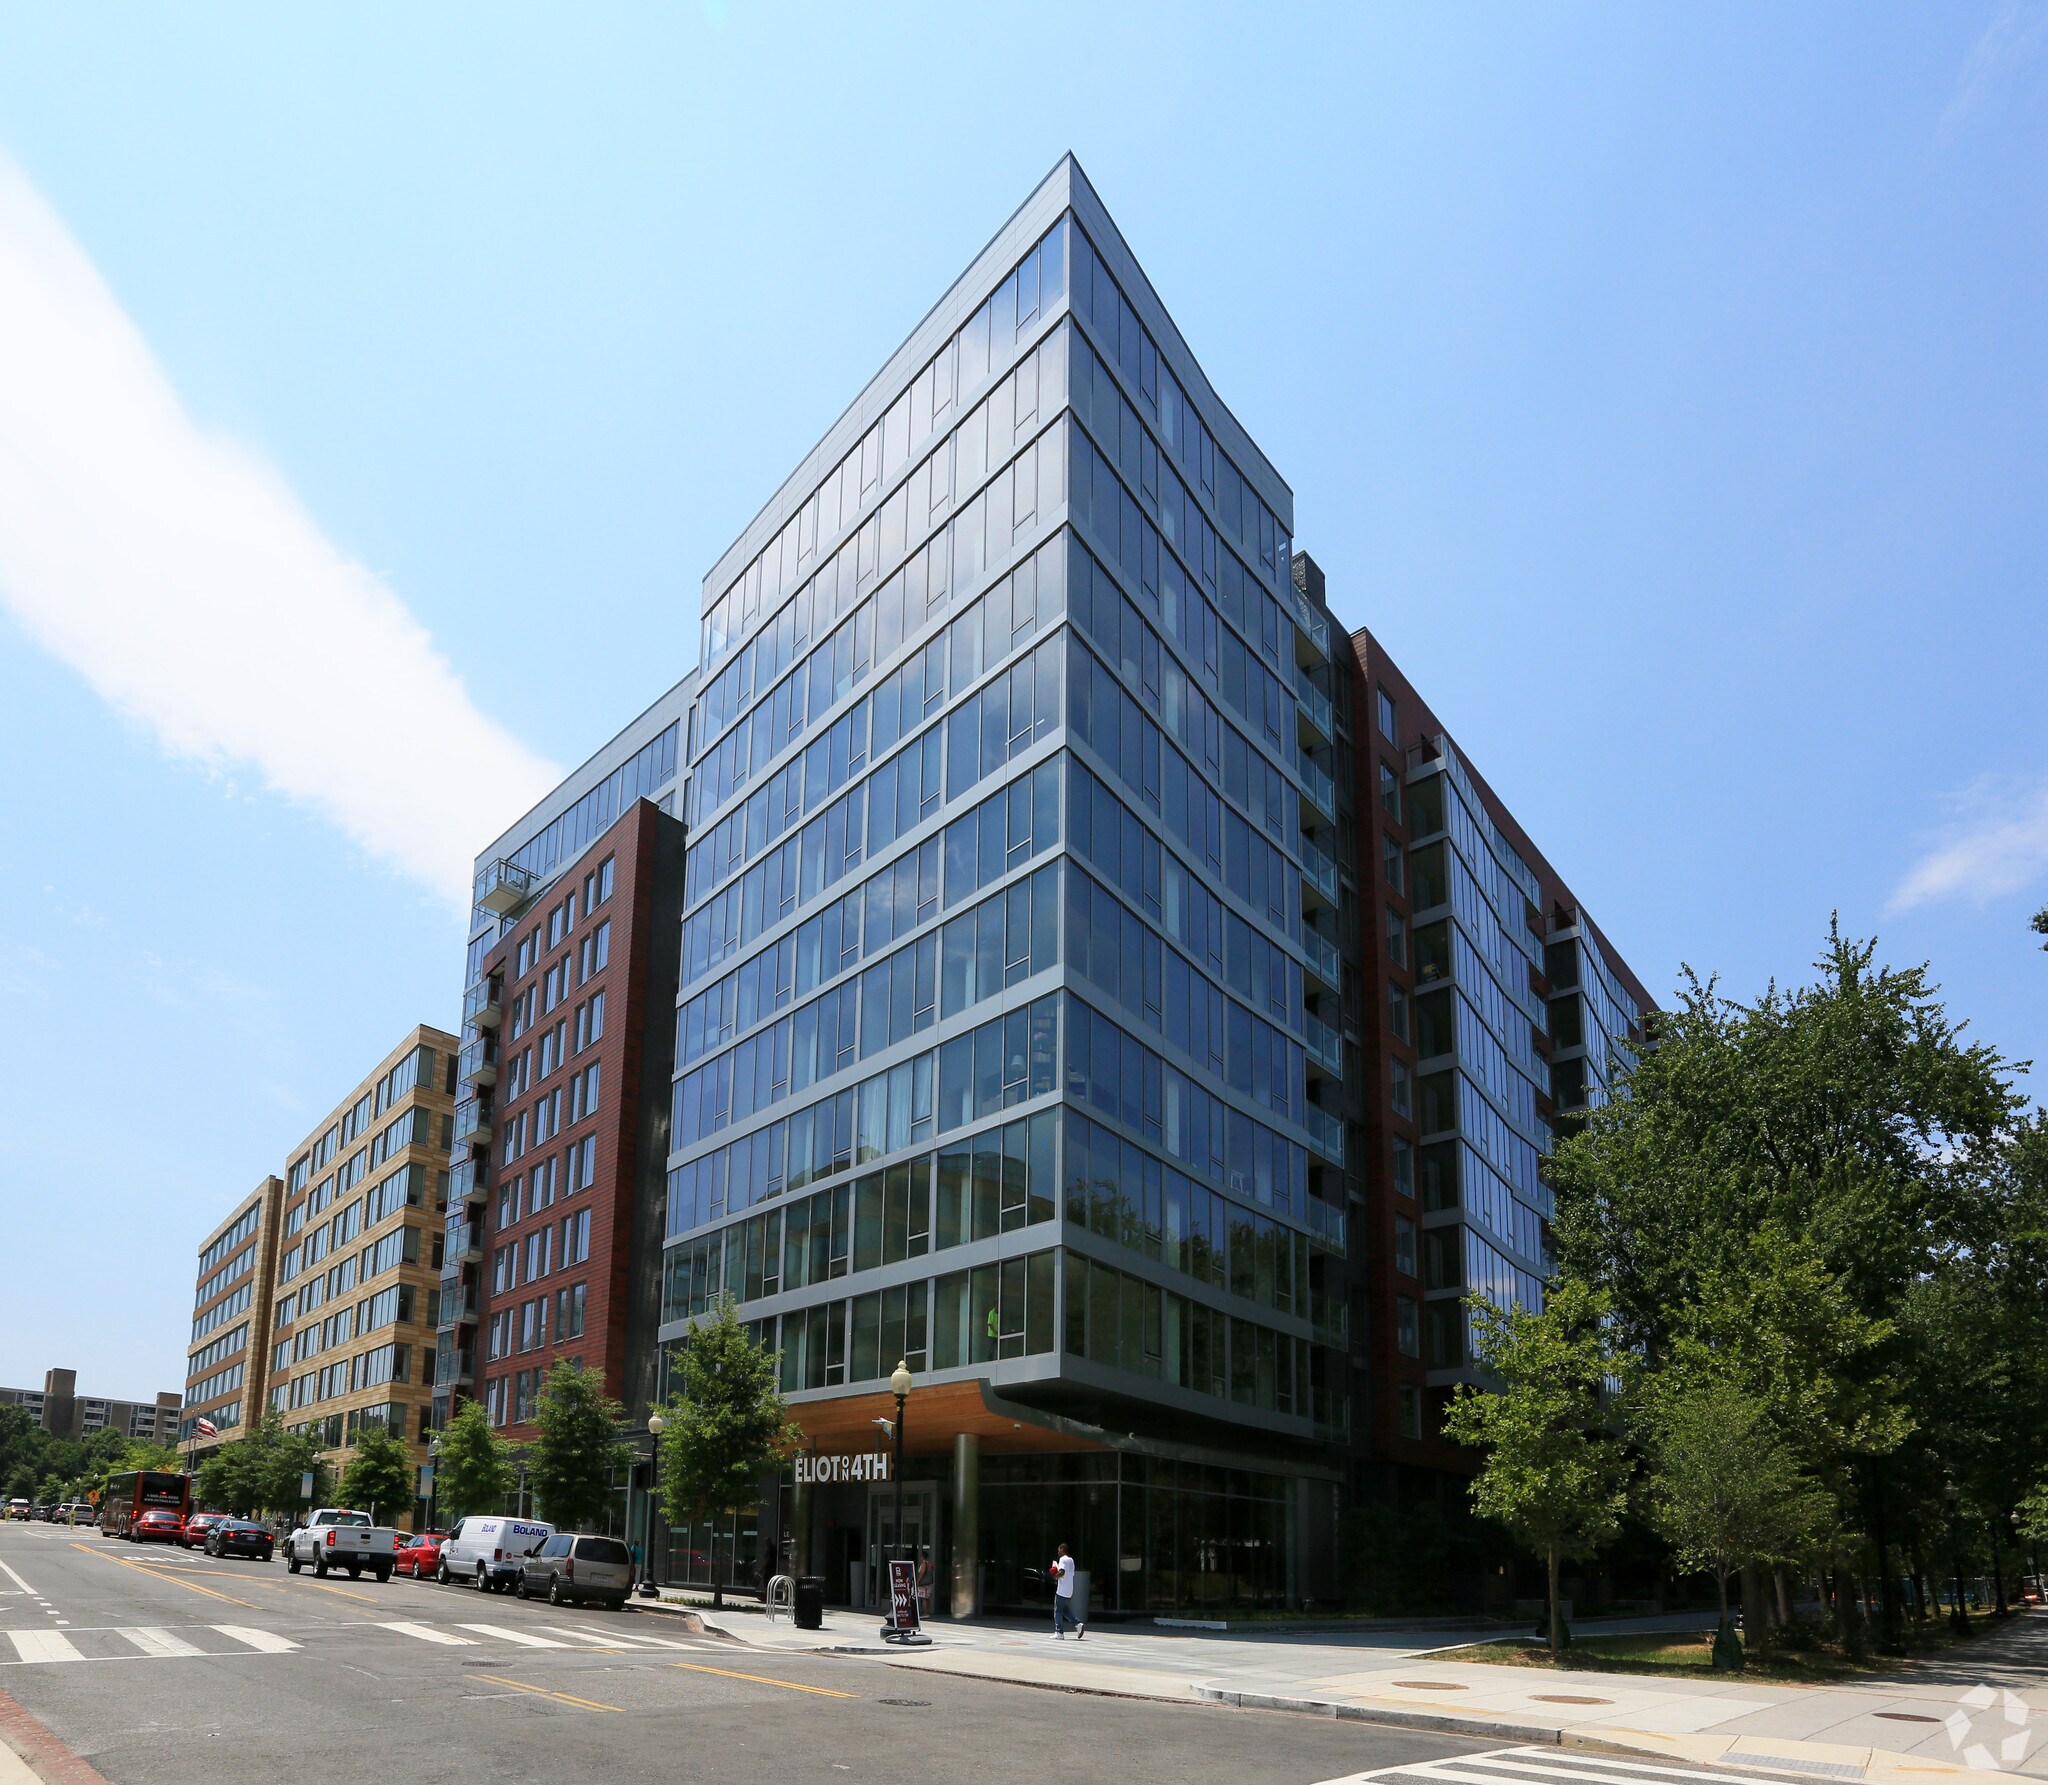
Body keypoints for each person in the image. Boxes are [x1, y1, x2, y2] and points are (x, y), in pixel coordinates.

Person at [1049, 1541, 1084, 1640]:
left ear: (1062, 1549)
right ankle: (1078, 1624)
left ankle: (1059, 1632)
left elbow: (1062, 1572)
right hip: (1069, 1589)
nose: (1058, 1552)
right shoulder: (1071, 1560)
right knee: (1064, 1609)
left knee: (1058, 1610)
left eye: (1058, 1550)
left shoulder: (1062, 1559)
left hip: (1062, 1589)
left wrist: (1055, 1576)